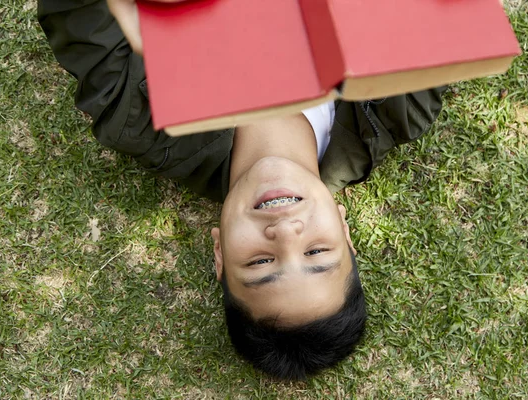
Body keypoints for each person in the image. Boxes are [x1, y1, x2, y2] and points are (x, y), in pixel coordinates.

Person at [38, 0, 446, 380]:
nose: (285, 232)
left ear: (219, 254)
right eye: (317, 252)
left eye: (260, 263)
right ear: (345, 229)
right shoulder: (404, 103)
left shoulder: (135, 117)